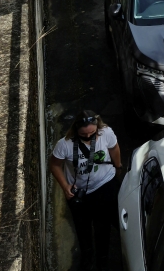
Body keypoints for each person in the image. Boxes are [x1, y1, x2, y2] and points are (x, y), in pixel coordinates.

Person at [48, 111, 122, 271]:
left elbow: (114, 148)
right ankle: (87, 257)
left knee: (103, 228)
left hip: (105, 186)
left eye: (92, 134)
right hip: (79, 193)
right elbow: (54, 165)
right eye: (84, 134)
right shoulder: (65, 144)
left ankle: (102, 260)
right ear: (75, 130)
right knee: (83, 229)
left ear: (98, 127)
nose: (88, 137)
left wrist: (118, 166)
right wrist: (65, 186)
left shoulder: (106, 133)